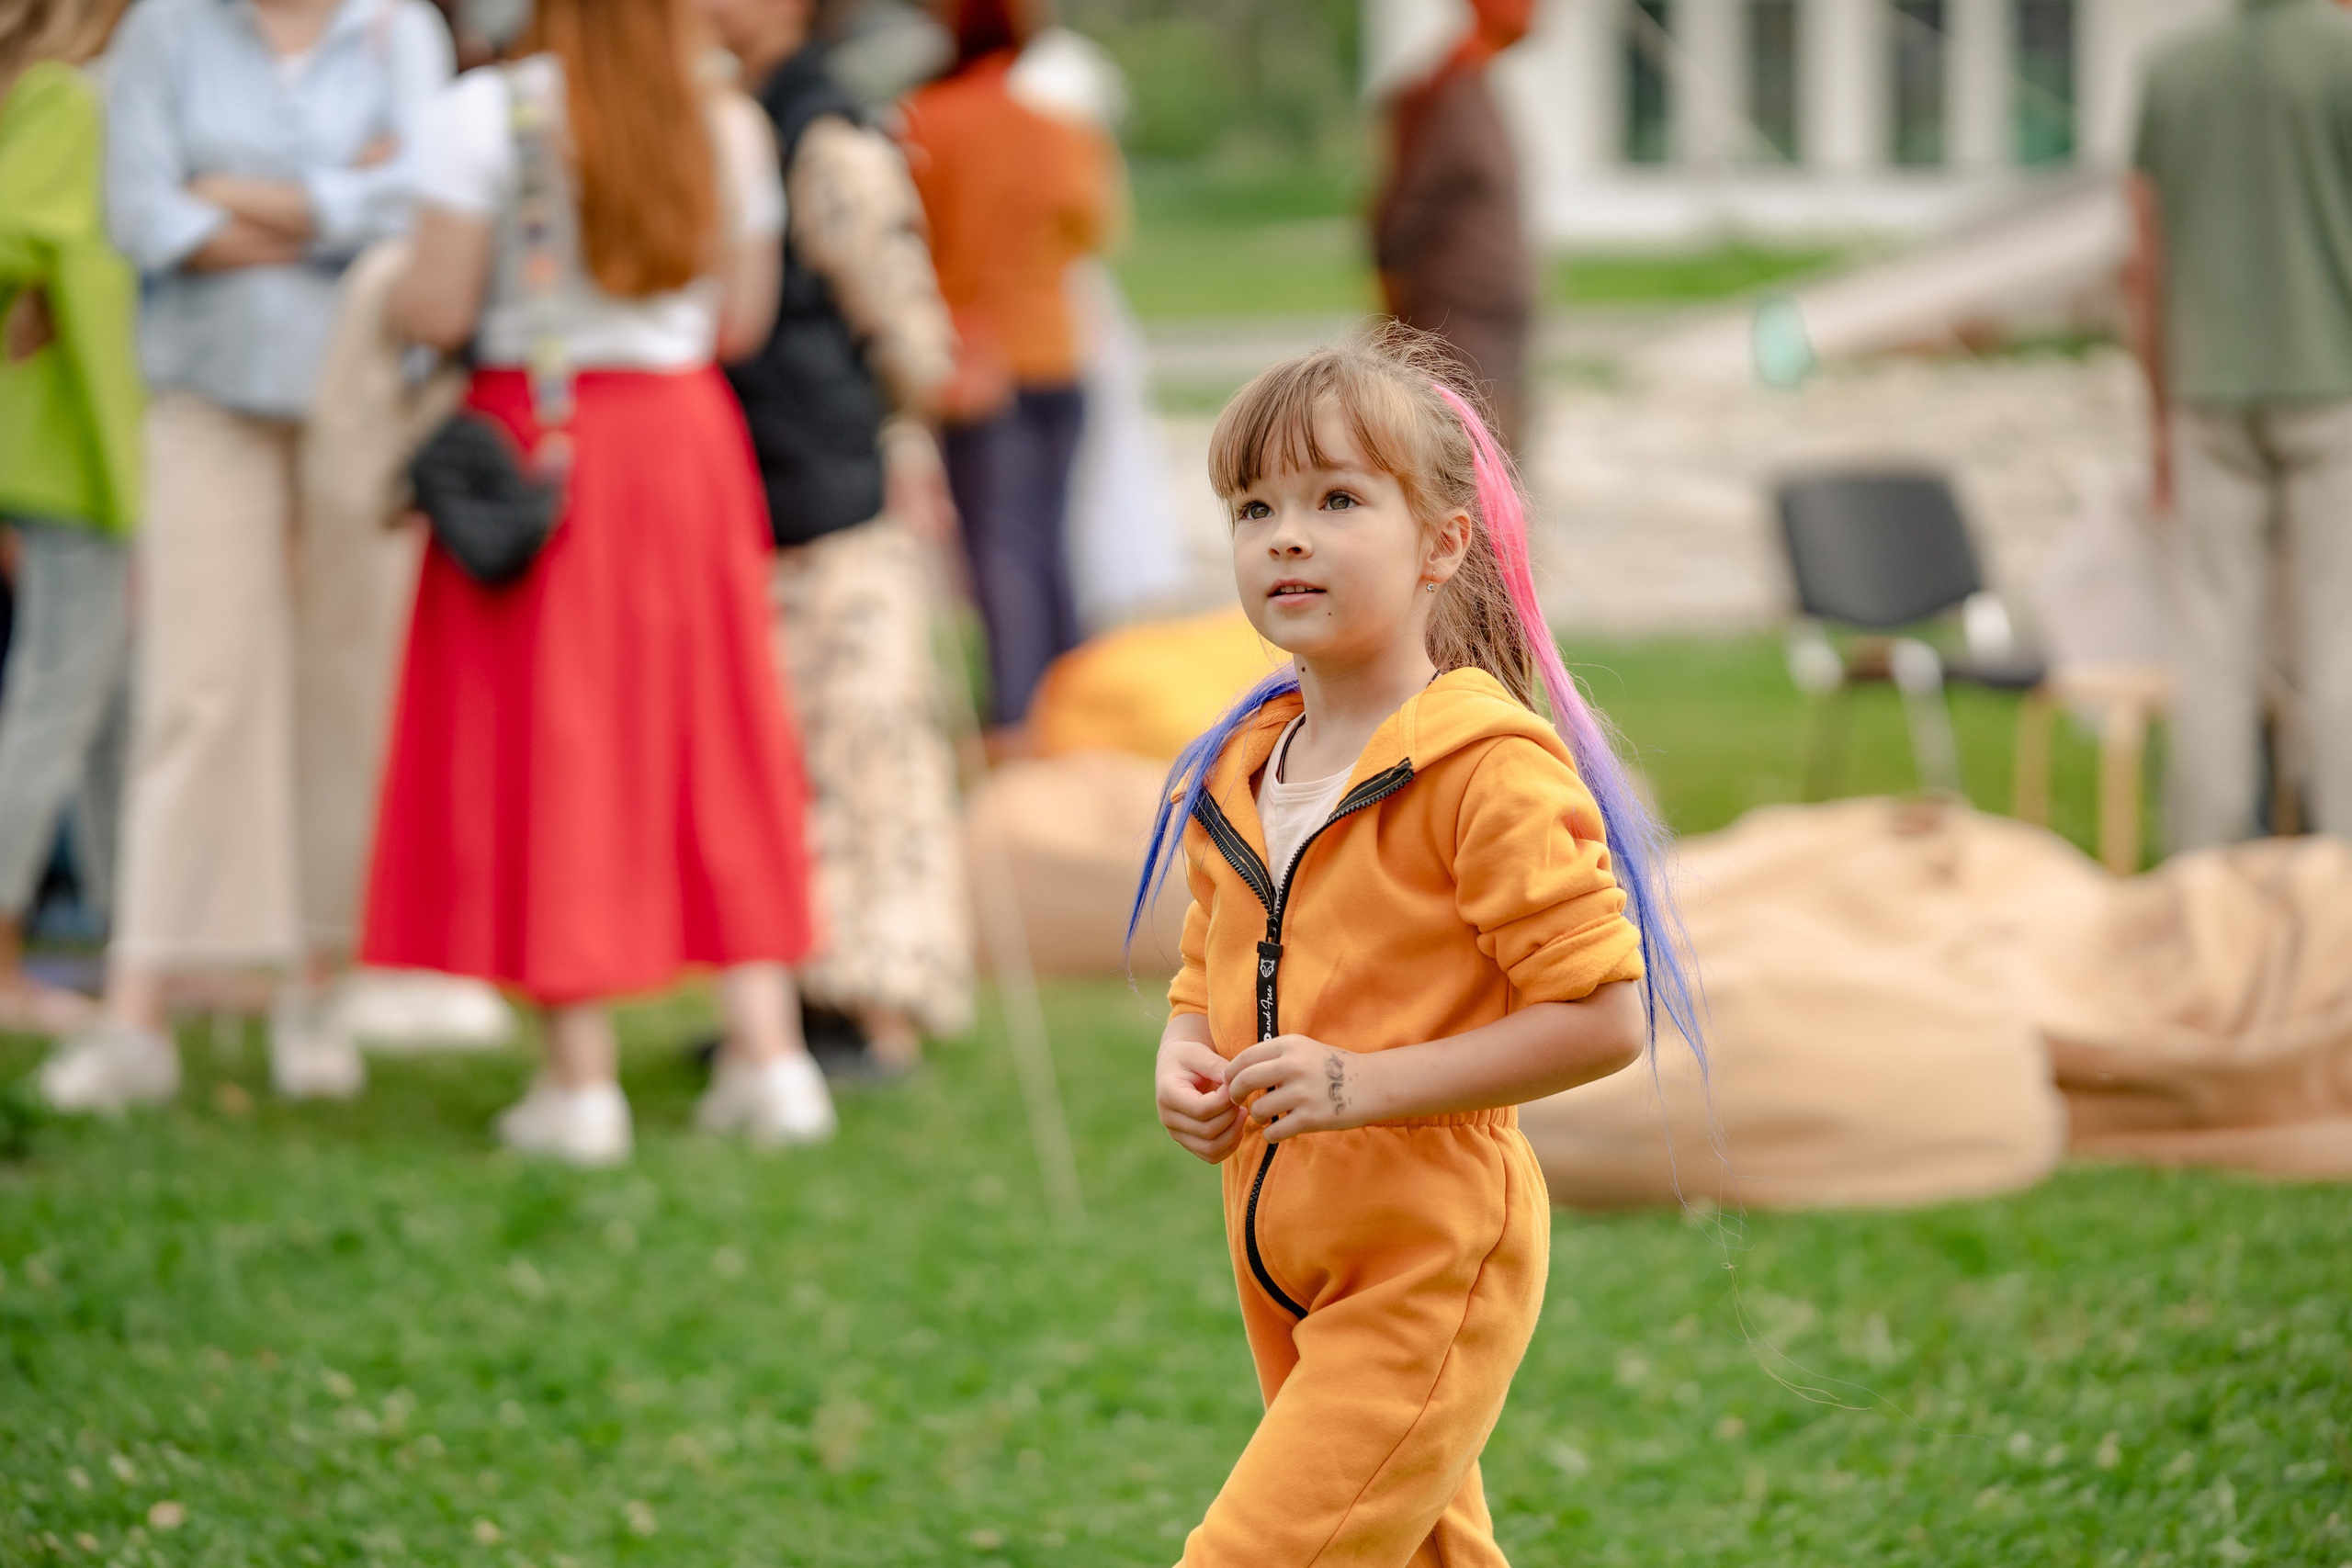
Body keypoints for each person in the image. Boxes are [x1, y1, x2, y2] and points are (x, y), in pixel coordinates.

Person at [1137, 331, 1701, 1566]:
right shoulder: (1242, 767)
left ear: (1444, 543)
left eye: (1338, 499)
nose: (1287, 533)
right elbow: (1205, 967)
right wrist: (1186, 1052)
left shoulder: (1484, 769)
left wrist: (1360, 1084)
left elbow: (1605, 1010)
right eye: (1256, 505)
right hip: (1285, 1244)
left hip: (1430, 1249)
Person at [364, 0, 831, 1164]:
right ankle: (770, 1060)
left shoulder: (484, 112)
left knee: (555, 740)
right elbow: (740, 318)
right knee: (717, 733)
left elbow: (436, 305)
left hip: (547, 441)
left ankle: (579, 1085)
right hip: (683, 442)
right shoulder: (723, 116)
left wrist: (379, 290)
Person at [37, 0, 451, 1113]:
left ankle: (317, 987)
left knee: (347, 689)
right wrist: (333, 202)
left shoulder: (397, 30)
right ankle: (141, 1009)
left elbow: (420, 207)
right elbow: (143, 220)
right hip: (204, 398)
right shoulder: (165, 33)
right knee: (196, 692)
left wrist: (234, 198)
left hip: (359, 398)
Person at [705, 0, 971, 1071]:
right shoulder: (743, 115)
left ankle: (882, 1009)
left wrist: (902, 431)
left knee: (862, 743)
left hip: (832, 488)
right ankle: (804, 994)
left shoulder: (826, 130)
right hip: (755, 488)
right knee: (786, 749)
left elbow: (907, 325)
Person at [2127, 0, 2352, 848]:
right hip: (2333, 382)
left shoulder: (2173, 68)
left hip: (2206, 390)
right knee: (2339, 643)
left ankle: (2206, 881)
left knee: (2213, 651)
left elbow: (2143, 254)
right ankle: (2341, 881)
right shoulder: (2342, 57)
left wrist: (2157, 415)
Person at [900, 0, 1114, 742]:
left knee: (999, 551)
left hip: (975, 356)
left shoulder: (926, 120)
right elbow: (1095, 227)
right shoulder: (1062, 130)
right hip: (1058, 347)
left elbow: (913, 240)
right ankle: (1071, 707)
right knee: (1051, 541)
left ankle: (1017, 721)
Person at [0, 0, 140, 1036]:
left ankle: (137, 951)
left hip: (82, 459)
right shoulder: (67, 98)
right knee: (56, 703)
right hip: (73, 458)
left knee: (107, 708)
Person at [1372, 0, 1537, 457]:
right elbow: (1397, 214)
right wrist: (1394, 322)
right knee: (1465, 472)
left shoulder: (1479, 83)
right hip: (1457, 329)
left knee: (1505, 479)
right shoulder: (1441, 92)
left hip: (1497, 328)